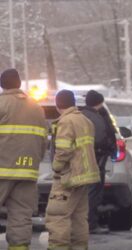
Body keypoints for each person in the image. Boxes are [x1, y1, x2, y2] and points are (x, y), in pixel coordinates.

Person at [46, 90, 100, 250]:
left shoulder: (66, 121)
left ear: (57, 105)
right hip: (84, 177)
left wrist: (56, 167)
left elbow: (63, 150)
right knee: (79, 218)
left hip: (68, 177)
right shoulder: (85, 120)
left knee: (57, 216)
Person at [0, 69, 47, 250]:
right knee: (21, 215)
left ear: (2, 84)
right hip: (27, 170)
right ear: (19, 84)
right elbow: (43, 140)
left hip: (2, 169)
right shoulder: (36, 107)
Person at [81, 90, 117, 234]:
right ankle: (91, 224)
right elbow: (102, 139)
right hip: (96, 160)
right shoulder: (98, 118)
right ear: (99, 102)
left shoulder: (79, 115)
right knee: (94, 193)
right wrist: (109, 147)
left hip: (79, 162)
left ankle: (80, 224)